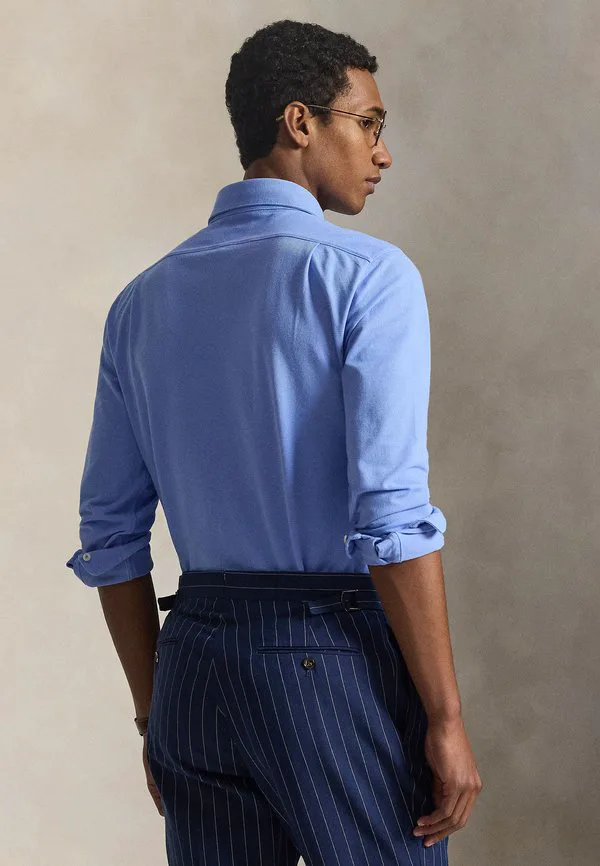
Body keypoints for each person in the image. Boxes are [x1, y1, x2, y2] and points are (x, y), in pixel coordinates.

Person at [66, 18, 482, 866]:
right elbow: (391, 513)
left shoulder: (140, 303)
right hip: (323, 658)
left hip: (192, 667)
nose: (383, 152)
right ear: (300, 123)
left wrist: (156, 712)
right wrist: (445, 718)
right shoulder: (368, 278)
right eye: (368, 123)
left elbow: (110, 534)